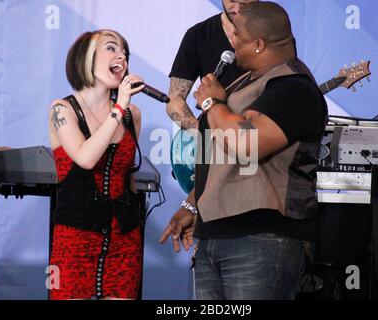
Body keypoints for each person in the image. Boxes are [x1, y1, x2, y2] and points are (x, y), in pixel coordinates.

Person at [160, 2, 328, 300]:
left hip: (261, 240)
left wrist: (212, 103)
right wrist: (193, 205)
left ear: (260, 44)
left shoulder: (293, 86)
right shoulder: (242, 84)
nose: (231, 41)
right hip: (215, 237)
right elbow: (220, 158)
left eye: (237, 34)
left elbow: (246, 144)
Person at [48, 29, 145, 300]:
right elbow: (86, 157)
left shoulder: (132, 115)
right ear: (86, 58)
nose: (121, 55)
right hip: (75, 233)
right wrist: (119, 107)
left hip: (123, 235)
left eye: (124, 51)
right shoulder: (61, 109)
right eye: (111, 48)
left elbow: (129, 177)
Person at [167, 0, 259, 130]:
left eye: (244, 2)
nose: (237, 8)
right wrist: (203, 137)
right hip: (216, 136)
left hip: (262, 135)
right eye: (232, 0)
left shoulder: (274, 32)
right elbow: (174, 100)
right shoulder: (198, 35)